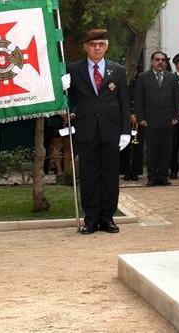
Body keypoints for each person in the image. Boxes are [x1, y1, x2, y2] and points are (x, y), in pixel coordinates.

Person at [66, 29, 131, 235]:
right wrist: (63, 91)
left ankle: (108, 218)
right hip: (86, 131)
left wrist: (126, 131)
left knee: (110, 176)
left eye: (101, 44)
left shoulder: (117, 70)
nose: (97, 48)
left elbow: (124, 103)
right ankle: (91, 219)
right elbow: (69, 101)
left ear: (106, 46)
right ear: (86, 47)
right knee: (89, 176)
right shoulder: (74, 69)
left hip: (111, 131)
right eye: (93, 45)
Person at [132, 51, 179, 186]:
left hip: (168, 120)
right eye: (157, 60)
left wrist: (177, 116)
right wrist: (140, 117)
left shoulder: (172, 78)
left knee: (166, 150)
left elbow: (178, 99)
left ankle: (164, 177)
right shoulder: (143, 77)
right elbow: (138, 99)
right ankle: (152, 177)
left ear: (166, 62)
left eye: (163, 60)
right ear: (152, 62)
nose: (160, 62)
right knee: (152, 151)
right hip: (150, 120)